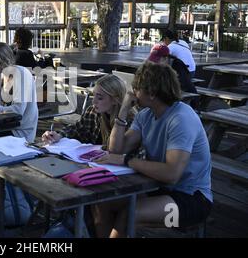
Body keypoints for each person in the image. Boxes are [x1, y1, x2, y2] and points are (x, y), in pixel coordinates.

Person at [93, 62, 212, 237]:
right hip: (158, 189)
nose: (132, 93)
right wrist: (124, 109)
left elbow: (172, 174)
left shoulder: (181, 118)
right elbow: (116, 150)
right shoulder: (145, 115)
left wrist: (127, 160)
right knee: (102, 203)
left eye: (136, 88)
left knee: (130, 213)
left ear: (152, 93)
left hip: (191, 199)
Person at [42, 74, 131, 150]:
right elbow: (77, 129)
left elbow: (121, 150)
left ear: (115, 100)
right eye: (93, 96)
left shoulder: (128, 119)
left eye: (100, 98)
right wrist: (58, 135)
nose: (93, 101)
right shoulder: (93, 112)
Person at [148, 44, 198, 109]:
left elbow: (181, 85)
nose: (154, 63)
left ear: (166, 58)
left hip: (188, 99)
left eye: (157, 60)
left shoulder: (177, 65)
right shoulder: (159, 66)